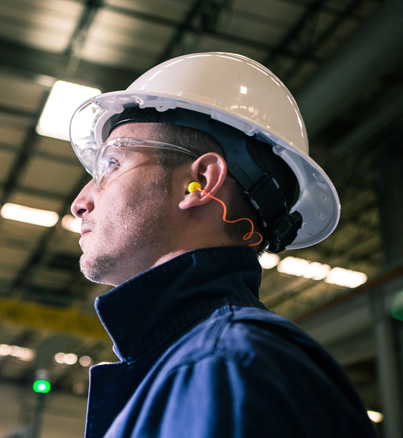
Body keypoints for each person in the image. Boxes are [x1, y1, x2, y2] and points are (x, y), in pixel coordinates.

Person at [70, 52, 378, 438]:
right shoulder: (198, 367)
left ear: (199, 180)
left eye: (112, 164)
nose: (80, 202)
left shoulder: (229, 366)